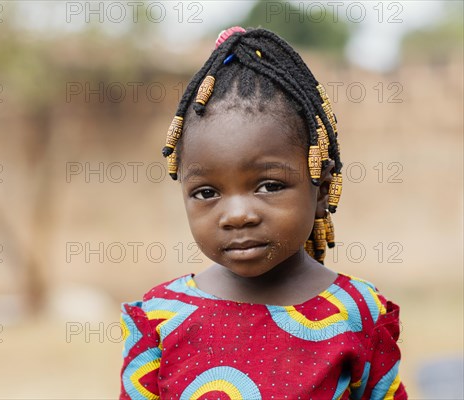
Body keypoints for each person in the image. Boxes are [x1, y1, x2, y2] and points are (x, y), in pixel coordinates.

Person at [119, 26, 407, 399]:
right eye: (207, 192)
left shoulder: (359, 313)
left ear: (321, 188)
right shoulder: (160, 317)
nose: (237, 214)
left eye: (268, 186)